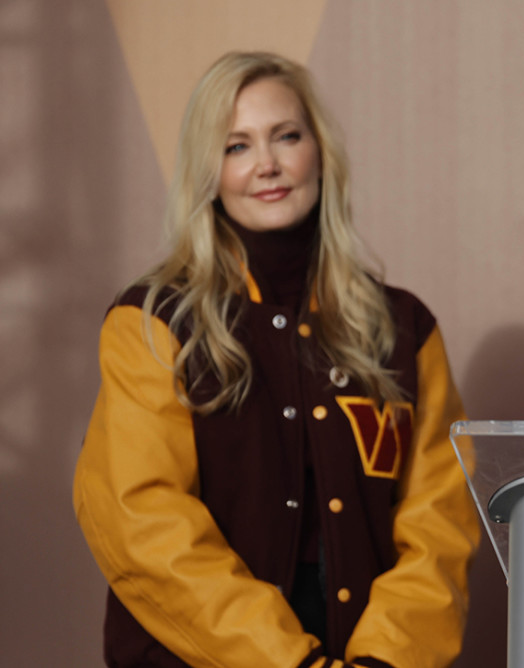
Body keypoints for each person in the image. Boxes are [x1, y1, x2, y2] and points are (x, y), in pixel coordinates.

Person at [73, 52, 479, 667]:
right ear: (206, 170)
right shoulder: (153, 323)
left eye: (286, 136)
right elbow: (142, 521)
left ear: (319, 150)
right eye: (236, 146)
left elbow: (438, 526)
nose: (267, 165)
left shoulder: (404, 328)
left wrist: (382, 662)